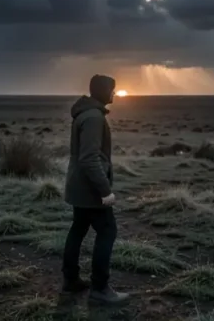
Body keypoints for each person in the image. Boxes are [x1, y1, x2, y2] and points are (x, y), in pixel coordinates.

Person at [61, 74, 130, 304]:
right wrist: (105, 191)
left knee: (78, 229)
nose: (114, 94)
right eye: (112, 89)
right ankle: (100, 288)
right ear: (103, 91)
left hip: (79, 186)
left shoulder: (87, 113)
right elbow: (90, 158)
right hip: (90, 188)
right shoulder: (93, 118)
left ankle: (70, 282)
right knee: (107, 231)